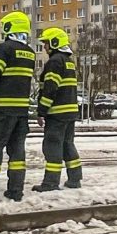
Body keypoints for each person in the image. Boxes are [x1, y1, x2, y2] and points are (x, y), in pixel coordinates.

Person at [0, 11, 36, 202]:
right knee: (17, 152)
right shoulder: (30, 52)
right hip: (21, 112)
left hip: (2, 110)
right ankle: (15, 191)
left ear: (9, 27)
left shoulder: (4, 49)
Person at [33, 27, 82, 191]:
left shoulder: (54, 62)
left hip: (57, 113)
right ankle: (75, 178)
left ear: (54, 43)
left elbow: (50, 88)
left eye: (46, 43)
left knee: (52, 146)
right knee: (68, 144)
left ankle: (50, 183)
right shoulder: (69, 61)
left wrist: (41, 111)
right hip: (70, 112)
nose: (45, 47)